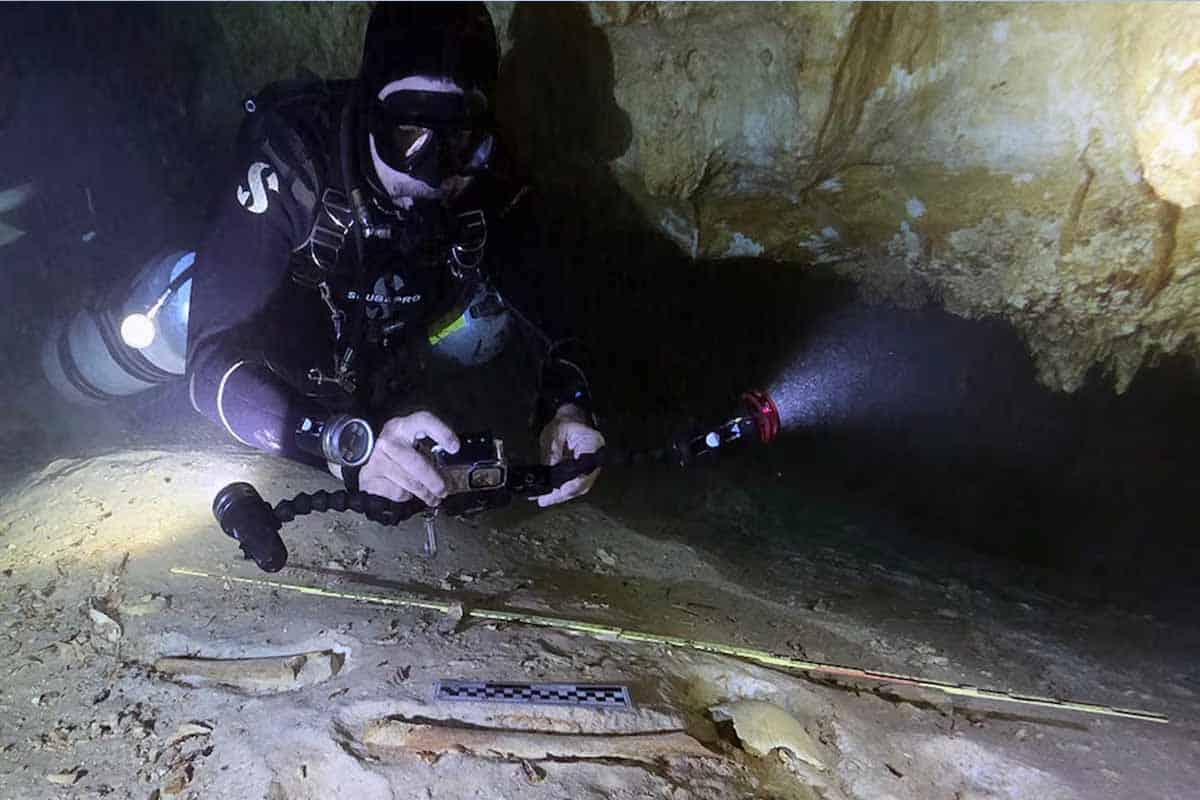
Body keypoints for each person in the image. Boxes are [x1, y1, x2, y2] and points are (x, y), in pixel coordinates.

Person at [186, 2, 603, 509]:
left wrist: (568, 408)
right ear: (367, 113)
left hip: (396, 357)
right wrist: (345, 445)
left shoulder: (492, 179)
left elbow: (554, 307)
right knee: (169, 316)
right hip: (280, 355)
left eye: (461, 139)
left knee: (487, 325)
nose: (430, 172)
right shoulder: (294, 164)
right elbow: (208, 366)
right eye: (407, 135)